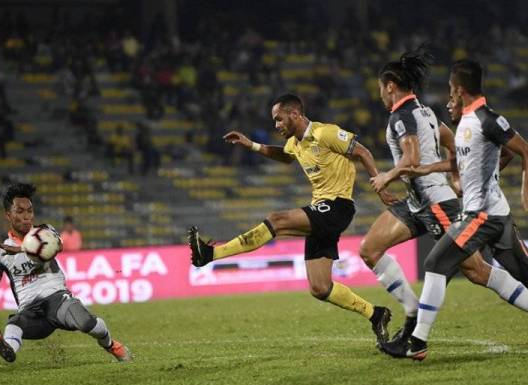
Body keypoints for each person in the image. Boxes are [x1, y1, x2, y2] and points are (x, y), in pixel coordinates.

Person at [189, 93, 396, 346]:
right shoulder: (296, 143)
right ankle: (376, 314)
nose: (276, 125)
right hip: (321, 208)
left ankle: (210, 255)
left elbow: (362, 151)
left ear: (295, 114)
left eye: (278, 119)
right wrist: (251, 145)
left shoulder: (325, 133)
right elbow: (285, 156)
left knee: (276, 220)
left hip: (338, 206)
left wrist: (380, 186)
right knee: (320, 288)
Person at [360, 47, 517, 347]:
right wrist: (456, 175)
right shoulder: (426, 111)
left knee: (476, 270)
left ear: (390, 86)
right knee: (370, 249)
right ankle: (411, 313)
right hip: (416, 203)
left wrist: (386, 177)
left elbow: (412, 158)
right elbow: (451, 144)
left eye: (380, 88)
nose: (380, 94)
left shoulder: (401, 117)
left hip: (436, 202)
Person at [0, 183, 130, 363]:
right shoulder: (0, 252)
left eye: (29, 211)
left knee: (86, 323)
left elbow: (58, 245)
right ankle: (5, 347)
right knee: (14, 324)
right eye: (20, 211)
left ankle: (111, 345)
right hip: (31, 312)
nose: (27, 217)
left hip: (57, 300)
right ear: (8, 215)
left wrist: (21, 249)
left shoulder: (45, 231)